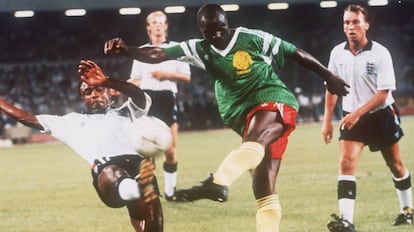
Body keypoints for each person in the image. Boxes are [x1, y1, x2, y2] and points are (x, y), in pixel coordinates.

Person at [104, 4, 349, 232]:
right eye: (210, 32)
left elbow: (294, 52)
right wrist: (127, 50)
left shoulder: (252, 38)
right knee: (263, 187)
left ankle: (218, 182)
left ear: (227, 23)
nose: (216, 36)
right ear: (203, 31)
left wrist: (329, 76)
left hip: (272, 99)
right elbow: (160, 53)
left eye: (220, 29)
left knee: (254, 140)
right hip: (242, 115)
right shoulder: (200, 48)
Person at [0, 60, 163, 232]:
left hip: (140, 170)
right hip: (108, 175)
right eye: (88, 92)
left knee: (152, 228)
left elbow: (138, 95)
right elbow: (27, 118)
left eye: (99, 89)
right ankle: (132, 188)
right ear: (83, 99)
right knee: (115, 173)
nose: (94, 95)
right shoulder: (73, 122)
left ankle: (135, 188)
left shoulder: (128, 111)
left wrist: (107, 80)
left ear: (110, 92)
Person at [322, 4, 412, 232]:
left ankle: (407, 211)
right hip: (352, 117)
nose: (351, 27)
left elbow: (383, 94)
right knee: (346, 162)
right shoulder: (337, 53)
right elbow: (331, 88)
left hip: (381, 115)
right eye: (346, 23)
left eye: (355, 22)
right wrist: (326, 121)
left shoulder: (380, 53)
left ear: (366, 25)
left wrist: (356, 113)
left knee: (395, 165)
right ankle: (347, 221)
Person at [128, 11, 191, 201]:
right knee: (147, 151)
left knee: (170, 149)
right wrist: (119, 86)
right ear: (148, 27)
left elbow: (186, 76)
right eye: (153, 22)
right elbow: (136, 79)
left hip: (167, 98)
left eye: (160, 22)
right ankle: (149, 192)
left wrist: (166, 74)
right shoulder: (140, 51)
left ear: (166, 26)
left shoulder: (176, 49)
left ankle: (170, 192)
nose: (157, 25)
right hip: (146, 100)